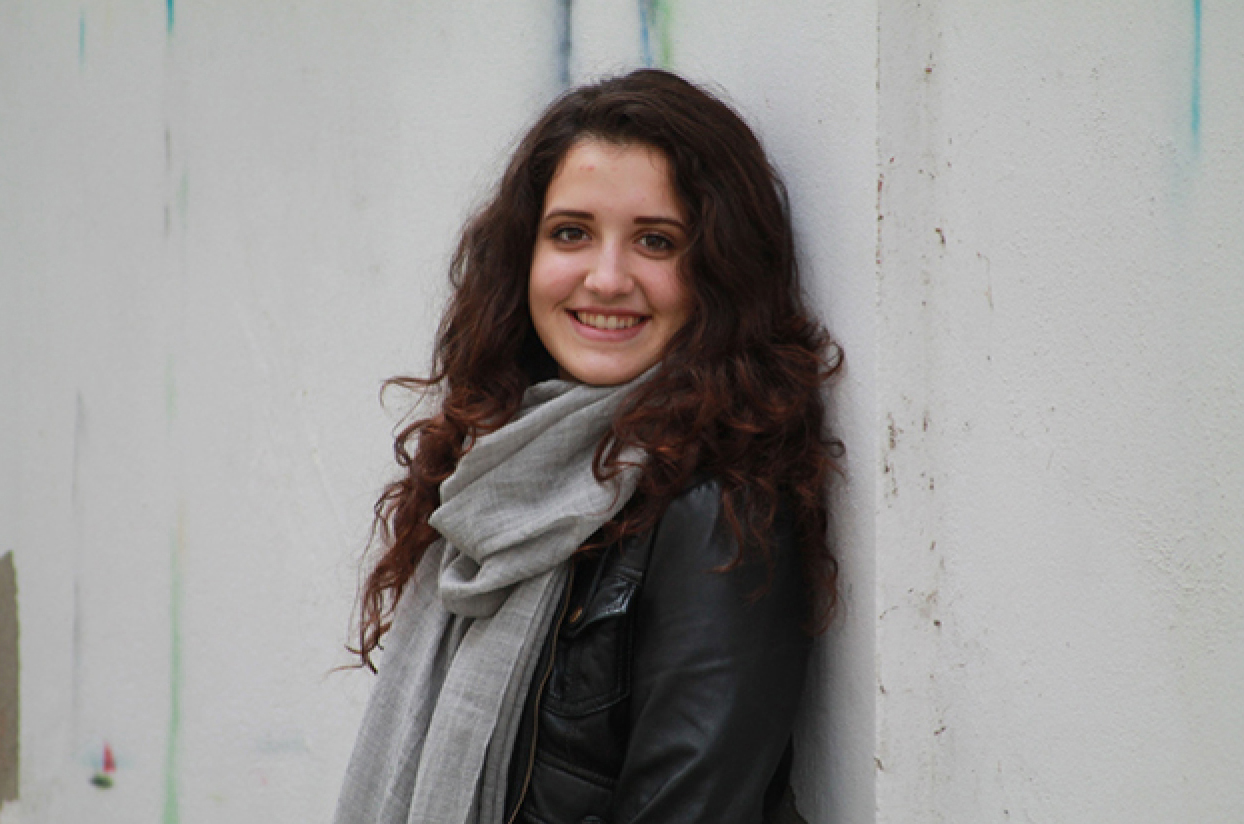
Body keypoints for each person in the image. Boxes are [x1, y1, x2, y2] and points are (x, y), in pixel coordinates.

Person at [334, 69, 841, 824]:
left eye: (656, 241)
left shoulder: (714, 513)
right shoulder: (489, 468)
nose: (606, 279)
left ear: (720, 272)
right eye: (571, 233)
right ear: (523, 256)